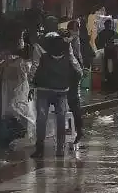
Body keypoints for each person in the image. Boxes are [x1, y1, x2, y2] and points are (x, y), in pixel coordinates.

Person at [31, 17, 83, 159]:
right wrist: (78, 75)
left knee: (41, 118)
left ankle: (39, 148)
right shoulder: (66, 43)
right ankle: (60, 149)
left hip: (43, 88)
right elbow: (74, 63)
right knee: (61, 117)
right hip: (62, 88)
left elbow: (35, 66)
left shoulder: (39, 44)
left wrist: (31, 83)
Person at [64, 19, 86, 145]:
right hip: (74, 71)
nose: (76, 30)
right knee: (74, 101)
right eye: (75, 28)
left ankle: (75, 128)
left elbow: (75, 56)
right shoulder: (73, 39)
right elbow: (78, 56)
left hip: (71, 72)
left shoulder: (69, 40)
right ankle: (77, 128)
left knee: (71, 101)